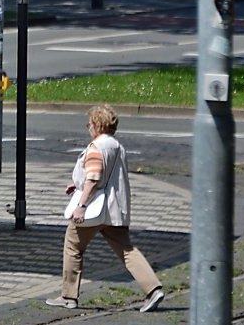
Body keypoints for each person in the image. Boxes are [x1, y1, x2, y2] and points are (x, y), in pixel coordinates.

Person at [46, 105, 166, 312]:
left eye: (90, 124)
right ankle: (153, 289)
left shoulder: (96, 147)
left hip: (93, 209)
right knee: (126, 250)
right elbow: (106, 175)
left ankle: (68, 295)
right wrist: (78, 184)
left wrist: (81, 206)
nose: (89, 128)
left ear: (98, 125)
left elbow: (93, 178)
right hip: (114, 209)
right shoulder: (117, 146)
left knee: (73, 246)